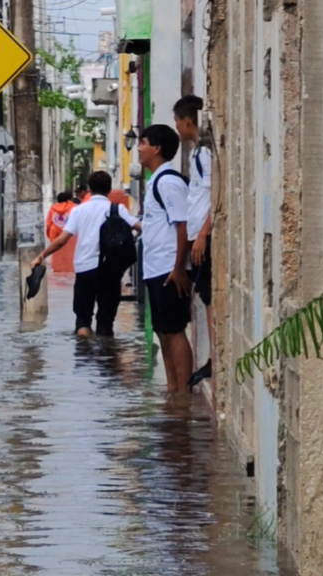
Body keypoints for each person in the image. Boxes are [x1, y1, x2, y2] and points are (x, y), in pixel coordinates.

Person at [31, 171, 140, 337]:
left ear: (90, 189)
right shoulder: (118, 209)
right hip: (110, 271)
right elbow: (140, 227)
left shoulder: (79, 211)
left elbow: (61, 240)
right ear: (109, 189)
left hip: (85, 270)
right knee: (106, 323)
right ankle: (106, 357)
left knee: (82, 321)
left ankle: (83, 357)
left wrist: (41, 256)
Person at [138, 125, 194, 394]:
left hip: (170, 269)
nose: (138, 148)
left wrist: (179, 268)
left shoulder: (168, 182)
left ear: (156, 148)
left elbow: (183, 225)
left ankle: (183, 393)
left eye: (143, 142)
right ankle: (173, 390)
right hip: (155, 268)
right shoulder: (155, 182)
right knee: (162, 331)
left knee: (174, 330)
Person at [174, 95, 214, 387]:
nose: (177, 127)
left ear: (186, 120)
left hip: (204, 236)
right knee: (203, 293)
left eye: (177, 121)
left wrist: (202, 234)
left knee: (209, 294)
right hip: (198, 236)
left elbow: (215, 193)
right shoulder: (197, 153)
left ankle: (213, 356)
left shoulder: (204, 155)